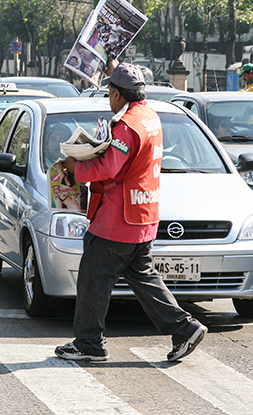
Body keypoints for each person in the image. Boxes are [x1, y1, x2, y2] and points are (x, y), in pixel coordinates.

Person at [55, 61, 206, 363]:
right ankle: (184, 328)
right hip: (144, 214)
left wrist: (77, 167)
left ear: (117, 94)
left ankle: (89, 344)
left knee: (93, 279)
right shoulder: (149, 115)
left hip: (116, 219)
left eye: (110, 93)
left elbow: (110, 166)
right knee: (144, 277)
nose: (108, 100)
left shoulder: (125, 125)